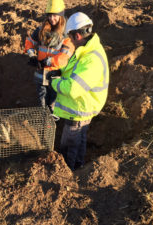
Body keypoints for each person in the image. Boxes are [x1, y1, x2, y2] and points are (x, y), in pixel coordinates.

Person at [48, 12, 109, 171]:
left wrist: (54, 82)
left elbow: (74, 89)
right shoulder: (87, 49)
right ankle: (79, 167)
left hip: (80, 107)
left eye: (70, 36)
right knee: (80, 140)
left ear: (77, 35)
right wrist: (61, 73)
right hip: (82, 106)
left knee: (68, 146)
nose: (69, 40)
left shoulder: (91, 58)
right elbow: (75, 72)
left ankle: (67, 173)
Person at [24, 0, 74, 112]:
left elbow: (64, 57)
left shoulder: (67, 34)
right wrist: (32, 55)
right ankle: (44, 125)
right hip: (40, 76)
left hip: (56, 77)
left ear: (61, 16)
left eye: (55, 15)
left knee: (53, 105)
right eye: (49, 16)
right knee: (42, 104)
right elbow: (30, 42)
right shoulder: (41, 30)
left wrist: (47, 61)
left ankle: (51, 126)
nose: (52, 19)